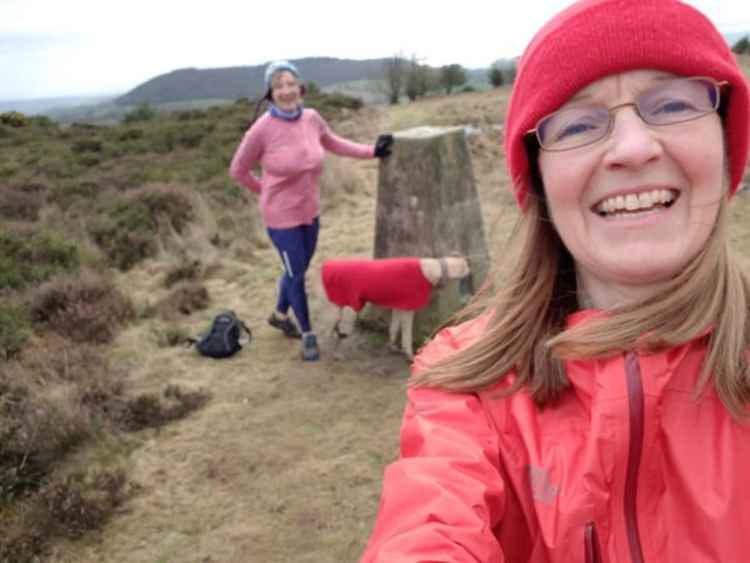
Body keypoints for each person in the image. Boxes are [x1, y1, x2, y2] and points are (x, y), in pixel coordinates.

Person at [360, 0, 750, 560]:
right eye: (579, 123)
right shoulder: (465, 387)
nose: (634, 148)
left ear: (725, 144)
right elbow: (428, 527)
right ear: (539, 179)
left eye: (671, 103)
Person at [229, 60, 393, 361]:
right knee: (296, 275)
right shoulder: (261, 130)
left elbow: (335, 143)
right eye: (278, 86)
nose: (286, 91)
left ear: (300, 87)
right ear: (270, 93)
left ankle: (279, 313)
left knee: (296, 269)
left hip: (310, 212)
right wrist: (265, 190)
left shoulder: (312, 119)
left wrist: (372, 151)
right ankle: (307, 334)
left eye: (290, 84)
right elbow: (238, 171)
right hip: (280, 218)